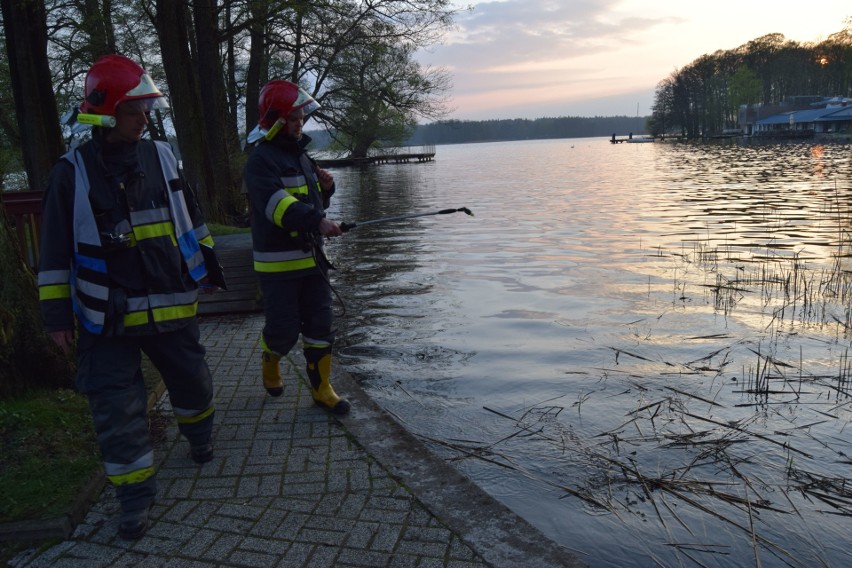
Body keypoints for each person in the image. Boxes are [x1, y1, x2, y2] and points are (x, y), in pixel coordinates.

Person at [37, 54, 217, 540]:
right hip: (105, 316)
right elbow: (53, 251)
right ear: (106, 112)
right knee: (116, 413)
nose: (145, 118)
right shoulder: (70, 173)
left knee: (193, 383)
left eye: (146, 109)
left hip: (172, 305)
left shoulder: (161, 155)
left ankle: (200, 439)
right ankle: (134, 500)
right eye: (135, 110)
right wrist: (56, 317)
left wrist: (207, 265)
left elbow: (190, 214)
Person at [243, 79, 350, 415]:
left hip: (312, 261)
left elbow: (314, 207)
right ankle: (270, 356)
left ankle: (322, 390)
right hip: (277, 267)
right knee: (283, 330)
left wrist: (327, 190)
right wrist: (316, 221)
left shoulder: (303, 157)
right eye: (292, 119)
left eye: (301, 118)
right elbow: (276, 206)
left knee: (321, 325)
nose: (299, 124)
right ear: (274, 120)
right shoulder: (260, 161)